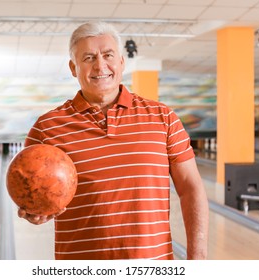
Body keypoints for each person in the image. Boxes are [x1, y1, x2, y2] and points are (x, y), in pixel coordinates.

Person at [18, 21, 209, 260]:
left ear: (121, 62)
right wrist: (36, 211)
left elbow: (191, 189)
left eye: (108, 55)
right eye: (88, 57)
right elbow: (30, 192)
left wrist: (198, 260)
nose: (100, 65)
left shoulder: (163, 118)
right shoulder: (47, 128)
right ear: (73, 67)